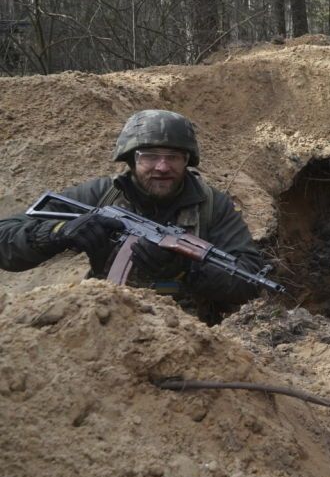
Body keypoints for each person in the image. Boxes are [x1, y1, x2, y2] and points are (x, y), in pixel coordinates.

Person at [0, 109, 265, 323]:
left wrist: (186, 269)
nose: (162, 167)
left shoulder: (212, 206)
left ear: (187, 160)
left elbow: (248, 281)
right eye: (149, 156)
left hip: (187, 334)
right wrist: (60, 232)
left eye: (173, 157)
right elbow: (6, 238)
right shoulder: (102, 195)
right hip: (102, 321)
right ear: (131, 159)